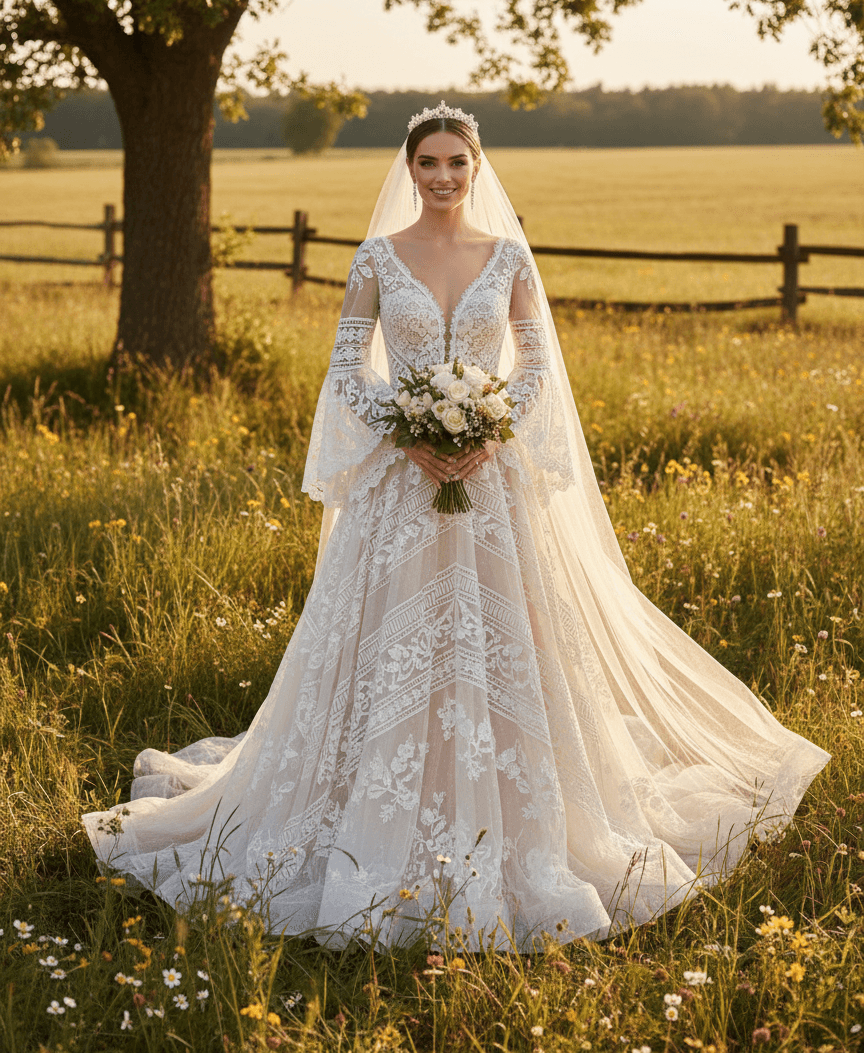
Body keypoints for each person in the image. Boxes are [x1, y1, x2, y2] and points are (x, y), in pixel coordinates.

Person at [83, 101, 829, 950]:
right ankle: (366, 798)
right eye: (428, 163)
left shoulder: (508, 258)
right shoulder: (376, 258)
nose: (442, 177)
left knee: (506, 639)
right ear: (409, 169)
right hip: (400, 488)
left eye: (457, 164)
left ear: (477, 168)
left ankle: (523, 810)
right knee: (386, 638)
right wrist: (407, 431)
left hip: (490, 483)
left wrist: (488, 427)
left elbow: (538, 363)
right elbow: (345, 365)